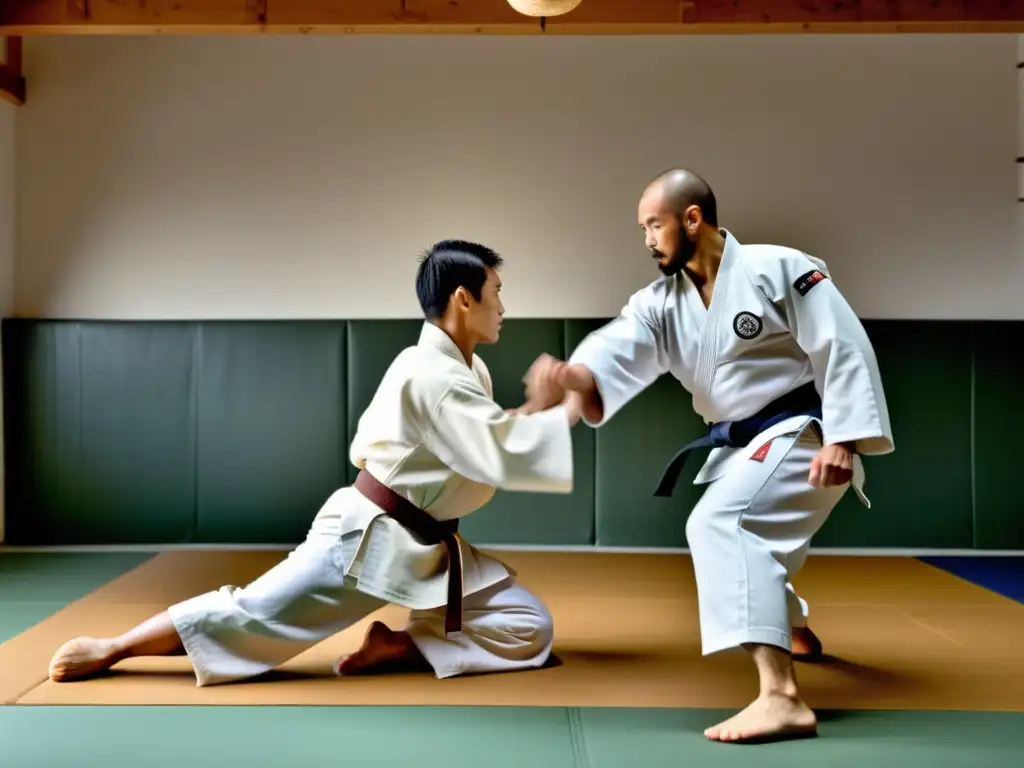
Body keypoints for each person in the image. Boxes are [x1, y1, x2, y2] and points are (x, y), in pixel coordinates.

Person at [48, 239, 580, 687]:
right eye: (498, 293)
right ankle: (114, 647)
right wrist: (562, 407)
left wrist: (543, 408)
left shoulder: (466, 368)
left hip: (426, 546)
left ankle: (398, 646)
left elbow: (485, 440)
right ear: (464, 299)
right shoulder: (431, 374)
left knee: (527, 623)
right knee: (250, 614)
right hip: (369, 542)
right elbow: (498, 446)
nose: (503, 308)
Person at [518, 169, 894, 744]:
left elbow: (842, 343)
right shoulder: (659, 304)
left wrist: (845, 437)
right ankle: (791, 625)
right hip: (743, 446)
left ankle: (782, 697)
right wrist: (568, 375)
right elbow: (615, 353)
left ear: (692, 219)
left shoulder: (779, 267)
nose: (646, 239)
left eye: (653, 224)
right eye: (642, 227)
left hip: (802, 431)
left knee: (724, 522)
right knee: (746, 524)